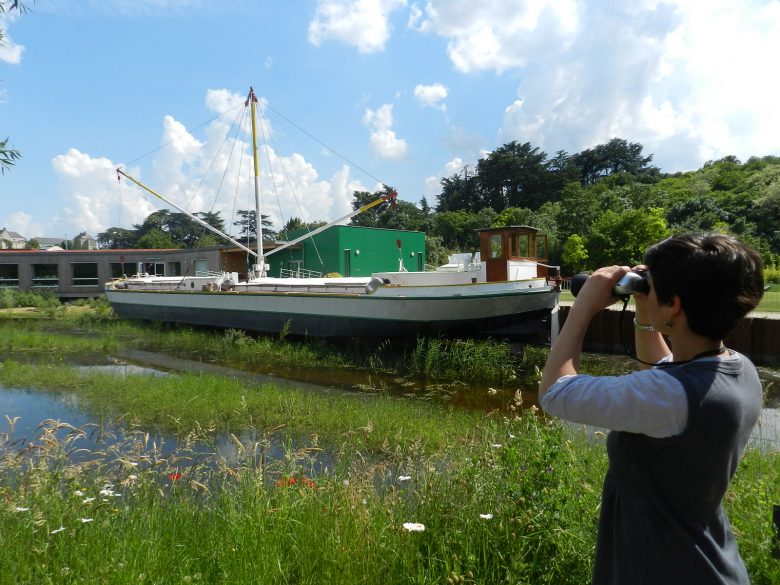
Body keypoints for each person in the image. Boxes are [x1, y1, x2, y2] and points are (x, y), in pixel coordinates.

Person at [538, 233, 765, 585]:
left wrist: (582, 307)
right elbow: (663, 369)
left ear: (674, 304)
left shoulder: (671, 396)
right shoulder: (739, 369)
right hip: (709, 563)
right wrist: (646, 311)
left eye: (651, 286)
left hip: (660, 568)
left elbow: (555, 392)